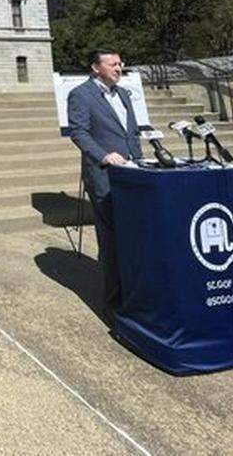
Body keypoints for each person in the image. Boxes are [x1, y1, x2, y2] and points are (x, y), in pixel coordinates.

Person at [66, 49, 143, 320]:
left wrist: (141, 161)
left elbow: (130, 133)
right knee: (111, 241)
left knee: (134, 238)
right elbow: (79, 132)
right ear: (95, 68)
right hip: (105, 176)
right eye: (113, 64)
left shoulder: (123, 94)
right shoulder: (80, 95)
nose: (119, 68)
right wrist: (103, 155)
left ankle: (136, 296)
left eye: (120, 64)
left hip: (133, 175)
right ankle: (113, 306)